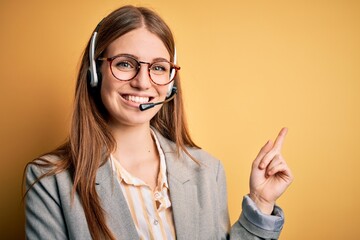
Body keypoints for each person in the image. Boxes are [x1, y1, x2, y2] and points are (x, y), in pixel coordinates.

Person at [24, 5, 293, 240]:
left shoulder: (208, 171)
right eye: (126, 64)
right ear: (96, 72)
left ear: (170, 83)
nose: (143, 82)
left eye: (158, 67)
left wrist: (260, 203)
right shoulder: (49, 181)